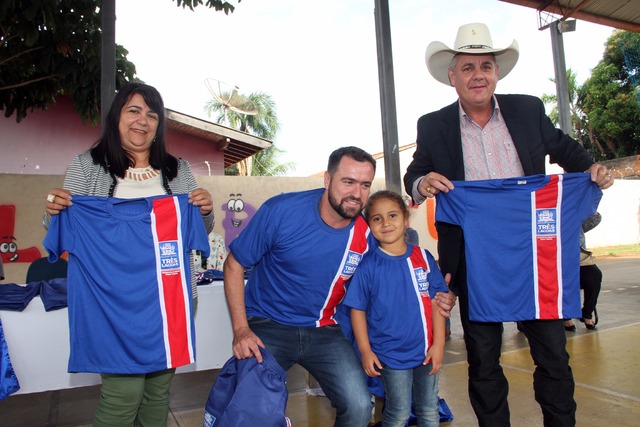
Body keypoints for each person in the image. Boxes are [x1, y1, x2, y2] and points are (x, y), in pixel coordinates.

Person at [403, 23, 614, 427]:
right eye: (467, 67)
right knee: (483, 361)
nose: (477, 75)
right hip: (474, 259)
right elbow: (415, 174)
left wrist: (592, 168)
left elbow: (565, 149)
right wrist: (422, 182)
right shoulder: (433, 125)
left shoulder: (528, 109)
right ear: (453, 76)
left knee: (553, 354)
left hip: (534, 258)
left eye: (485, 65)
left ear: (497, 72)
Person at [223, 146, 456, 427]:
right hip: (269, 324)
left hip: (327, 329)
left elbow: (400, 271)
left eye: (365, 185)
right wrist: (241, 330)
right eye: (348, 182)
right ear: (327, 180)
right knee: (251, 411)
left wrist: (438, 294)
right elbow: (234, 264)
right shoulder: (281, 211)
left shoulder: (369, 229)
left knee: (359, 407)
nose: (356, 193)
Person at [43, 82, 214, 426]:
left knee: (157, 396)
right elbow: (59, 228)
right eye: (133, 111)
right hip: (110, 304)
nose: (142, 121)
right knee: (122, 397)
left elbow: (196, 231)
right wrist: (54, 208)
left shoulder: (178, 170)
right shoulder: (87, 165)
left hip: (170, 302)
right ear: (116, 117)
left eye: (152, 115)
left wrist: (205, 211)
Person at [344, 190, 447, 427]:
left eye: (392, 215)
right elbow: (357, 310)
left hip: (427, 353)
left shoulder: (424, 257)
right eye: (377, 218)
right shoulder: (367, 266)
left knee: (429, 410)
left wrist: (439, 344)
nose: (386, 223)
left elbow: (437, 302)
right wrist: (366, 351)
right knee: (398, 413)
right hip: (390, 355)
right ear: (369, 225)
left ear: (405, 219)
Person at [564, 213, 602, 331]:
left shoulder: (576, 219)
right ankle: (566, 316)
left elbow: (595, 218)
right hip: (560, 259)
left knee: (595, 275)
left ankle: (586, 313)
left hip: (579, 258)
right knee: (566, 279)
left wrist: (591, 208)